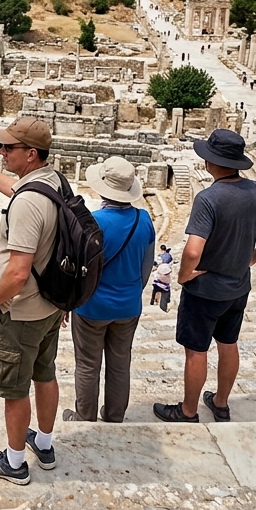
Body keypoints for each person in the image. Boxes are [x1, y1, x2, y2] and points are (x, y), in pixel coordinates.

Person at [154, 129, 256, 424]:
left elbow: (192, 251)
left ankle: (188, 411)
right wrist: (250, 259)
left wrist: (183, 276)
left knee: (196, 351)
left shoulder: (209, 198)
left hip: (205, 290)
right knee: (228, 343)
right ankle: (221, 403)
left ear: (212, 162)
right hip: (238, 287)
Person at [0, 116, 63, 486]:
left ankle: (15, 463)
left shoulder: (27, 204)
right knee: (45, 374)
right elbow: (18, 191)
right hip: (52, 307)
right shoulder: (52, 182)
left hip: (21, 313)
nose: (1, 152)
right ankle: (45, 445)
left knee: (15, 389)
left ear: (30, 154)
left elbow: (17, 273)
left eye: (8, 148)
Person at [69, 157, 155, 424]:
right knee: (120, 365)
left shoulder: (91, 223)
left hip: (91, 307)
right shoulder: (144, 220)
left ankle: (85, 417)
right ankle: (115, 416)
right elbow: (146, 267)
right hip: (128, 307)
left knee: (87, 365)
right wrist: (129, 293)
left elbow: (76, 267)